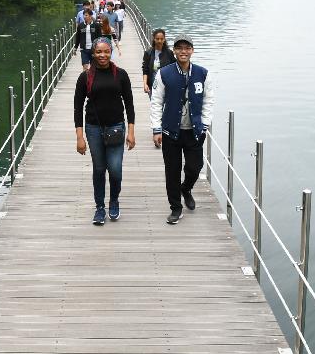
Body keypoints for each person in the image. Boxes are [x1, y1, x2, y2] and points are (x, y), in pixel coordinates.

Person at [150, 34, 215, 225]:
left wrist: (205, 122)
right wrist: (156, 128)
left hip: (194, 130)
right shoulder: (164, 73)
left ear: (192, 50)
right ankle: (176, 208)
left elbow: (209, 101)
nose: (183, 51)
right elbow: (156, 101)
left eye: (187, 48)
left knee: (195, 167)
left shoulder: (203, 74)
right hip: (171, 131)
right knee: (172, 170)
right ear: (174, 51)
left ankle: (186, 188)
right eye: (179, 48)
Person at [74, 38, 136, 224]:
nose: (103, 55)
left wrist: (131, 132)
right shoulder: (85, 77)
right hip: (93, 128)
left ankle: (114, 201)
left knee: (115, 170)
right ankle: (100, 207)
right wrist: (79, 137)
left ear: (111, 52)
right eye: (99, 52)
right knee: (99, 169)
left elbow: (130, 105)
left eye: (106, 51)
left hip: (116, 127)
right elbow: (77, 108)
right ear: (93, 53)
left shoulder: (121, 75)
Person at [141, 29, 176, 97]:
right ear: (154, 39)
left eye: (161, 39)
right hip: (152, 84)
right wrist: (145, 84)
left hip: (166, 85)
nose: (159, 41)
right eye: (157, 39)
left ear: (164, 39)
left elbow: (175, 67)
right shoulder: (148, 53)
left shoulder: (169, 53)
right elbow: (145, 70)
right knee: (154, 105)